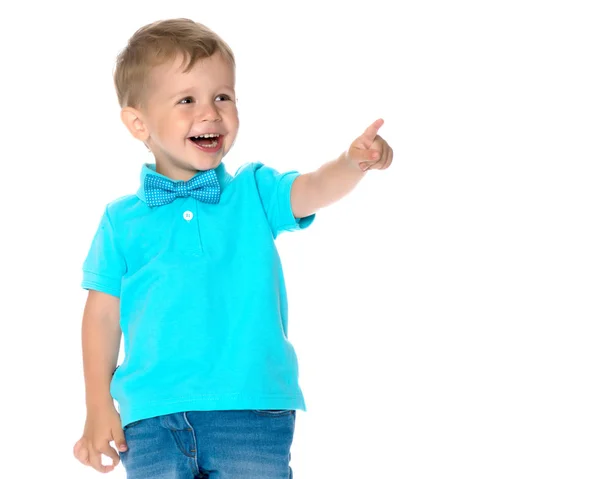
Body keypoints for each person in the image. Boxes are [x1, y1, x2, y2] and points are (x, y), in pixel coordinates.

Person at [72, 17, 393, 479]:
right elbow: (101, 317)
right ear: (138, 122)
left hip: (251, 410)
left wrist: (351, 163)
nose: (211, 112)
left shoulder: (254, 191)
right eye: (187, 100)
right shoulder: (120, 221)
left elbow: (313, 189)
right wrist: (97, 404)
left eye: (223, 96)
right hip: (148, 419)